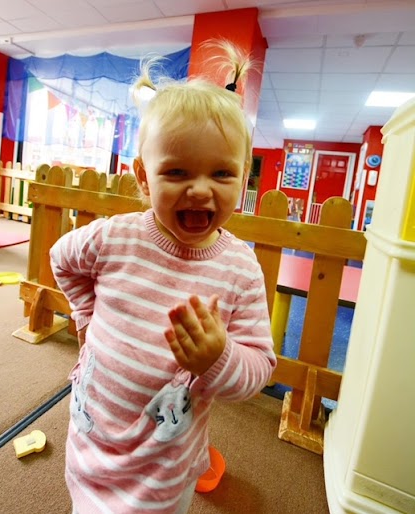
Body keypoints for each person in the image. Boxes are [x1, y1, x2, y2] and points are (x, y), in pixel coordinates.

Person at [50, 41, 276, 514]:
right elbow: (62, 259)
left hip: (165, 464)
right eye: (176, 171)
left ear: (243, 179)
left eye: (221, 173)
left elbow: (257, 372)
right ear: (143, 177)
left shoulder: (240, 269)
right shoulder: (114, 237)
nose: (199, 189)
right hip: (93, 435)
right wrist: (86, 318)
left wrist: (219, 357)